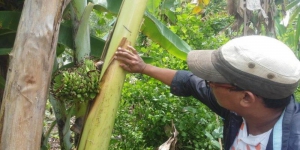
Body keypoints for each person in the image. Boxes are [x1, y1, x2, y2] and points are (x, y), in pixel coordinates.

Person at [114, 35, 300, 150]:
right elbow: (189, 82)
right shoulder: (241, 112)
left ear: (246, 97)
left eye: (212, 81)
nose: (207, 84)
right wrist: (143, 67)